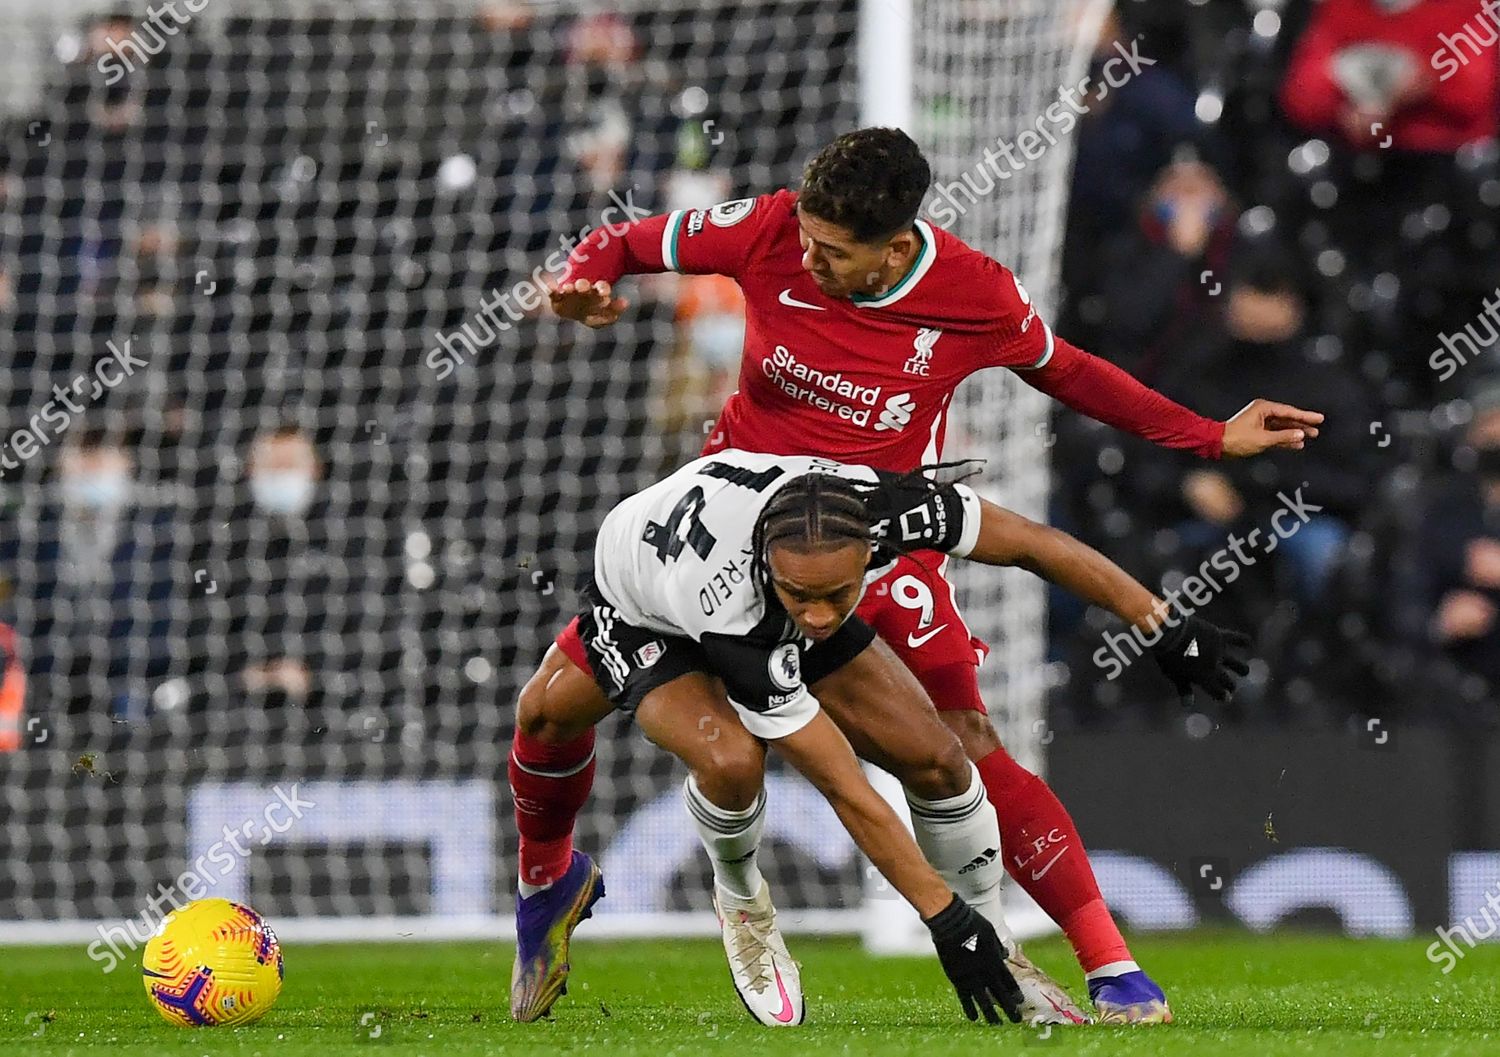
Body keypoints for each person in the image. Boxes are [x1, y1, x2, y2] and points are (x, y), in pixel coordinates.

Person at [540, 126, 1319, 1022]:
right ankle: (559, 888)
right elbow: (630, 241)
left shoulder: (972, 293)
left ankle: (1107, 964)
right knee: (559, 707)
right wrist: (589, 280)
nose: (810, 262)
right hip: (728, 544)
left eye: (835, 255)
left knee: (964, 750)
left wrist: (1208, 435)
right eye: (808, 242)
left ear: (898, 246)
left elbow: (1068, 376)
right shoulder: (769, 228)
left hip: (880, 538)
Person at [510, 450, 1249, 1026]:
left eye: (839, 592)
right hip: (652, 607)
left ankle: (1005, 947)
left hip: (757, 593)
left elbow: (1033, 543)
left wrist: (1161, 619)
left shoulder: (892, 510)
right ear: (771, 565)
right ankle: (743, 903)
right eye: (804, 594)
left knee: (940, 758)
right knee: (732, 762)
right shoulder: (733, 603)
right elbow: (845, 786)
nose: (825, 615)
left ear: (872, 550)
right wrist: (941, 917)